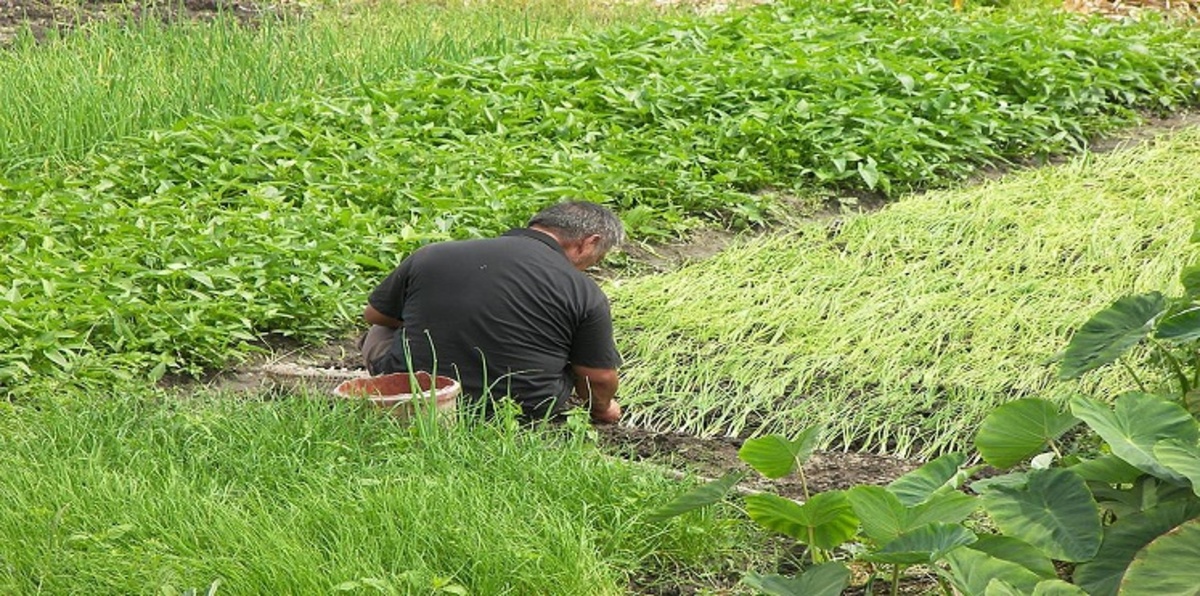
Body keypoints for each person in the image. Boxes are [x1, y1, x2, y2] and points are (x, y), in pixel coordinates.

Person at [359, 201, 624, 424]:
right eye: (597, 259)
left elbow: (375, 315)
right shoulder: (584, 291)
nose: (590, 267)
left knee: (380, 330)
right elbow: (598, 378)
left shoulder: (433, 254)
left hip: (421, 395)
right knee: (572, 353)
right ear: (589, 243)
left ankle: (395, 390)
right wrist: (603, 409)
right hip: (520, 412)